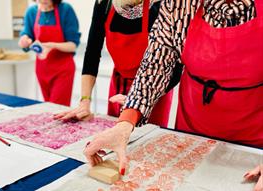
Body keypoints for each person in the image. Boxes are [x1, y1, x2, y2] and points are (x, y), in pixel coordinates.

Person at [84, 0, 263, 190]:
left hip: (253, 136)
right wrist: (125, 123)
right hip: (193, 129)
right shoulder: (180, 4)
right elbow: (156, 65)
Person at [54, 0, 174, 127]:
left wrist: (141, 98)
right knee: (111, 137)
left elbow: (175, 65)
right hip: (118, 87)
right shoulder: (105, 4)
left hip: (154, 89)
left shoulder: (164, 5)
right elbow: (92, 53)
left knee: (147, 141)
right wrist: (85, 101)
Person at [18, 0, 81, 106]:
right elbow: (26, 37)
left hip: (63, 69)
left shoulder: (65, 10)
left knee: (58, 108)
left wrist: (52, 46)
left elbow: (73, 45)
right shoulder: (31, 12)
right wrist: (24, 41)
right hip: (42, 69)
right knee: (47, 107)